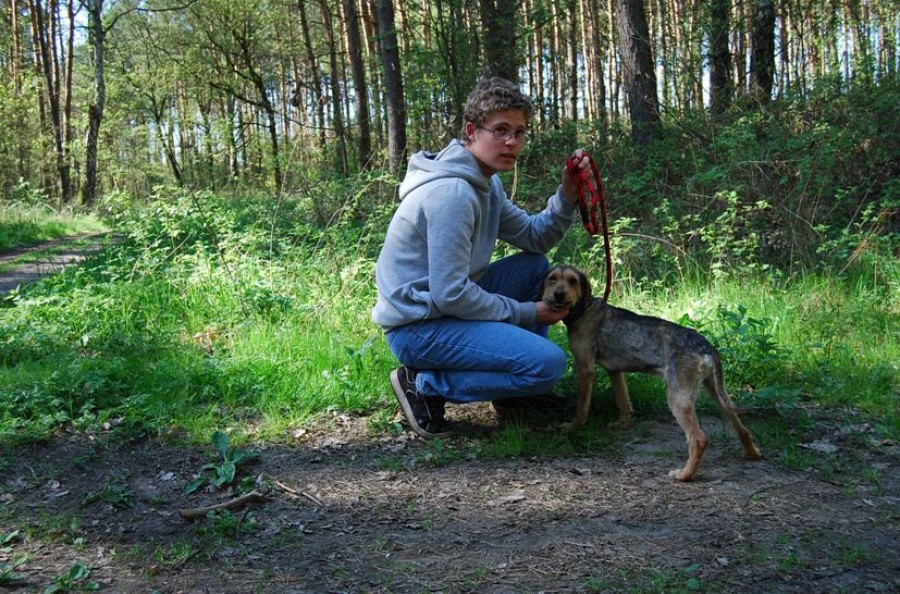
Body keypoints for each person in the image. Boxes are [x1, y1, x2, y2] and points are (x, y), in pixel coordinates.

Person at [372, 76, 590, 438]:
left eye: (519, 132)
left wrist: (567, 195)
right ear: (471, 131)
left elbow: (535, 238)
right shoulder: (453, 194)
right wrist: (526, 311)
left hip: (442, 308)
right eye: (501, 130)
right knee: (548, 365)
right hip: (417, 327)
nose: (511, 142)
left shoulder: (486, 183)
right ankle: (425, 384)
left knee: (534, 266)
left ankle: (517, 396)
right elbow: (450, 294)